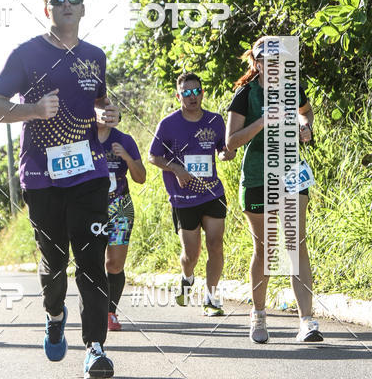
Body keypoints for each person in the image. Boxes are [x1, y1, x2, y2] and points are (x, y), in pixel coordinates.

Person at [0, 0, 119, 379]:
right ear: (47, 8)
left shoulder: (95, 56)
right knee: (55, 262)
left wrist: (106, 114)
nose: (66, 4)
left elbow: (98, 103)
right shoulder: (26, 54)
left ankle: (95, 349)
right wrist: (33, 110)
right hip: (42, 177)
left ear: (83, 7)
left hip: (89, 172)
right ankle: (54, 314)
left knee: (92, 261)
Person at [226, 36, 323, 344]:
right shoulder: (246, 94)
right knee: (266, 250)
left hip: (292, 173)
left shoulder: (293, 89)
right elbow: (231, 142)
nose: (274, 65)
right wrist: (262, 122)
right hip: (258, 177)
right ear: (257, 64)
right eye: (267, 61)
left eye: (279, 60)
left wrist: (305, 127)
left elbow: (306, 112)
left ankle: (306, 322)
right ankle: (258, 315)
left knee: (296, 244)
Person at [149, 73, 235, 317]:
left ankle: (211, 298)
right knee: (191, 254)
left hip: (212, 192)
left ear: (202, 93)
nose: (192, 96)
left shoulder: (215, 120)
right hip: (183, 197)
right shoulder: (168, 124)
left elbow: (222, 149)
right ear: (178, 97)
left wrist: (225, 154)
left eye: (196, 91)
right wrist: (176, 169)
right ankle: (187, 278)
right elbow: (153, 156)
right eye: (186, 93)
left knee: (215, 244)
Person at [96, 120, 146, 331]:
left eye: (106, 108)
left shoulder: (124, 140)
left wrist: (126, 157)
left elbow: (141, 177)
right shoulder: (81, 137)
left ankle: (110, 312)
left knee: (114, 264)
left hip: (120, 207)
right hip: (89, 209)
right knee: (92, 263)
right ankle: (93, 310)